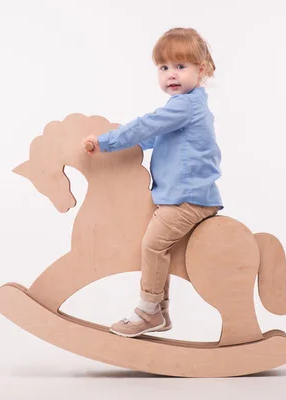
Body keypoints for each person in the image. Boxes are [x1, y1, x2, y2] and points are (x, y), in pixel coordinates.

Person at [82, 28, 224, 338]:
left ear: (201, 70)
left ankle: (147, 312)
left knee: (153, 245)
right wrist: (114, 148)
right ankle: (160, 311)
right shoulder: (187, 106)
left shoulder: (184, 106)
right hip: (179, 195)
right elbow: (151, 137)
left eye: (180, 66)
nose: (171, 75)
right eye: (164, 67)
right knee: (160, 247)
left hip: (189, 198)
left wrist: (104, 142)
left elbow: (145, 126)